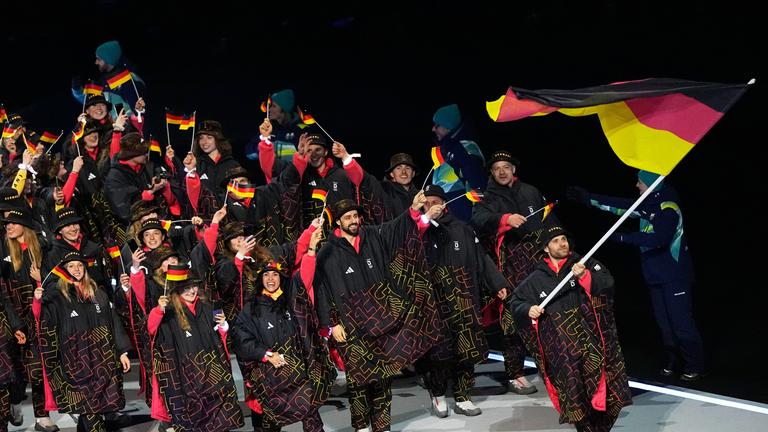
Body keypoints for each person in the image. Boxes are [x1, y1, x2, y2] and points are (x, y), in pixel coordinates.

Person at [314, 195, 442, 432]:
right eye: (347, 217)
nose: (353, 220)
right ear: (338, 223)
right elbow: (322, 292)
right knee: (359, 381)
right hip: (350, 326)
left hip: (382, 320)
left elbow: (396, 228)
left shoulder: (373, 235)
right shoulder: (326, 252)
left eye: (355, 216)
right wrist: (331, 325)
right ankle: (362, 426)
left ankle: (382, 427)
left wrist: (413, 210)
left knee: (383, 378)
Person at [566, 170, 705, 380]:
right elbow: (620, 205)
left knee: (680, 322)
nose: (637, 186)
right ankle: (673, 361)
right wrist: (589, 199)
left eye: (640, 182)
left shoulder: (668, 205)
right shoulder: (648, 202)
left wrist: (622, 237)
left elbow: (659, 238)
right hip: (655, 276)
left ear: (651, 184)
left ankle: (695, 365)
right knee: (664, 323)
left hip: (674, 276)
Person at [510, 226, 632, 432]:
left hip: (593, 346)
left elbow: (607, 284)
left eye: (564, 238)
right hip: (563, 353)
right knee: (576, 400)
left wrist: (585, 276)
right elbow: (516, 302)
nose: (562, 243)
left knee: (610, 397)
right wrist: (528, 309)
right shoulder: (537, 278)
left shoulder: (585, 263)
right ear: (546, 248)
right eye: (556, 240)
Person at [471, 150, 558, 395]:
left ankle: (553, 369)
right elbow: (477, 219)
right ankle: (516, 374)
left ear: (514, 170)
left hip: (539, 263)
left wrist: (561, 245)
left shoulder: (530, 191)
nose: (502, 171)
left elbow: (549, 220)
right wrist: (505, 219)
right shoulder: (487, 197)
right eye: (497, 167)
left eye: (506, 167)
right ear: (491, 172)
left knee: (547, 317)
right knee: (513, 323)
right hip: (509, 266)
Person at [418, 185, 509, 417]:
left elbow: (481, 259)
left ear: (444, 204)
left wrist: (497, 284)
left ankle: (463, 395)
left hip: (465, 301)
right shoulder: (416, 231)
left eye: (434, 202)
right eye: (425, 203)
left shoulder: (463, 229)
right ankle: (438, 394)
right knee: (439, 353)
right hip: (435, 305)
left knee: (467, 351)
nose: (430, 206)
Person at [232, 240, 335, 432]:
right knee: (269, 424)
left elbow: (305, 276)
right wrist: (266, 354)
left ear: (281, 278)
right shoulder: (251, 309)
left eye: (275, 275)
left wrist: (311, 250)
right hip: (270, 379)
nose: (271, 279)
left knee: (312, 418)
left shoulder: (293, 301)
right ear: (260, 279)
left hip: (300, 376)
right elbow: (240, 339)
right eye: (266, 275)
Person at [35, 252, 132, 432]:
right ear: (64, 270)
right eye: (71, 266)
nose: (76, 269)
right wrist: (38, 300)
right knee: (90, 409)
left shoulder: (99, 293)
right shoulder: (57, 296)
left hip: (102, 359)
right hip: (76, 362)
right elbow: (43, 319)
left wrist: (122, 351)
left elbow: (113, 322)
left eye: (79, 266)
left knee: (94, 408)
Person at [148, 277, 244, 431]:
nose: (191, 291)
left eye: (193, 287)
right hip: (187, 378)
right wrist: (158, 310)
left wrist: (223, 326)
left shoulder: (207, 307)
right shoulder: (169, 312)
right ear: (176, 290)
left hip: (213, 375)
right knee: (194, 423)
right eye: (186, 288)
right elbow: (151, 330)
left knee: (218, 421)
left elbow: (220, 340)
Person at [430, 103, 486, 221]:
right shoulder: (447, 149)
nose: (433, 129)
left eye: (437, 125)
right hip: (445, 212)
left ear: (448, 126)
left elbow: (478, 185)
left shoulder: (465, 148)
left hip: (461, 216)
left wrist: (477, 217)